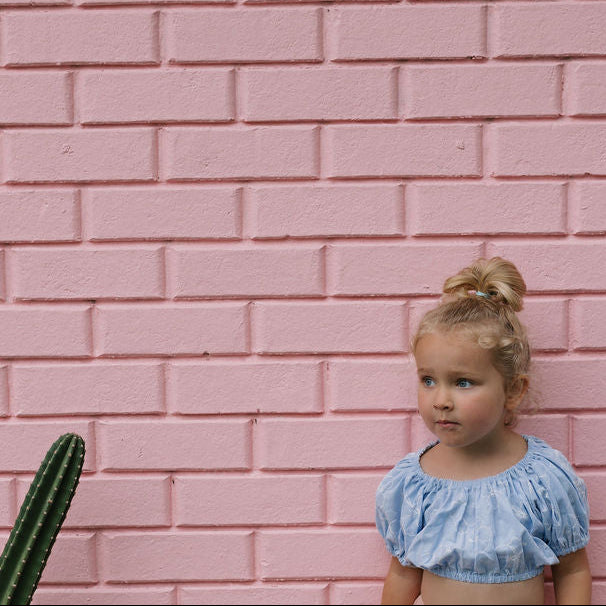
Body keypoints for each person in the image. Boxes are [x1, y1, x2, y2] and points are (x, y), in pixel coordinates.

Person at [375, 257, 591, 605]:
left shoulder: (543, 479)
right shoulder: (413, 486)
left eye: (463, 382)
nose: (441, 400)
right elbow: (403, 574)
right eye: (428, 380)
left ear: (513, 390)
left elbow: (573, 570)